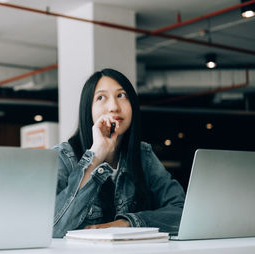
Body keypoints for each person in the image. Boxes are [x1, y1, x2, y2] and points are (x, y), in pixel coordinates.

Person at [52, 68, 185, 238]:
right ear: (88, 109)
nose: (114, 107)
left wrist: (127, 223)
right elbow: (53, 228)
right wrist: (96, 154)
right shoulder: (62, 157)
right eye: (101, 97)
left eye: (121, 96)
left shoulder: (143, 155)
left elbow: (181, 212)